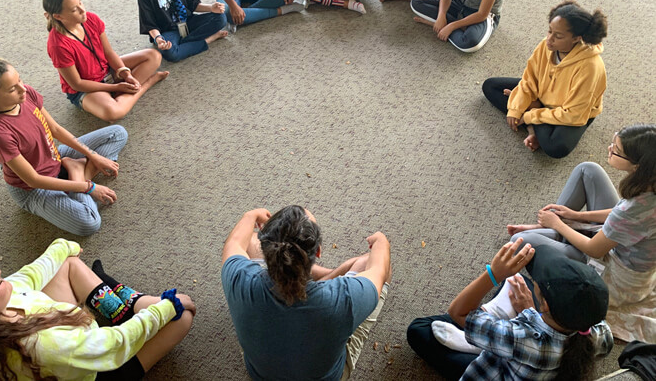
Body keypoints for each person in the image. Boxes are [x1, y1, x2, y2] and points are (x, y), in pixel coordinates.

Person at [509, 124, 656, 342]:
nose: (608, 148)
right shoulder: (649, 185)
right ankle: (549, 228)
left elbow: (594, 249)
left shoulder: (633, 210)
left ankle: (550, 228)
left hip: (615, 273)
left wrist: (558, 224)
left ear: (637, 166)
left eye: (616, 150)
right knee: (588, 169)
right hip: (623, 243)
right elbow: (619, 214)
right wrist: (575, 216)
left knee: (519, 242)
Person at [0, 238, 195, 380]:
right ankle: (127, 300)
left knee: (66, 263)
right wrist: (165, 308)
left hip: (74, 334)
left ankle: (129, 305)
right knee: (183, 317)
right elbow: (115, 343)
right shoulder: (42, 345)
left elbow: (34, 271)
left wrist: (64, 245)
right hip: (101, 369)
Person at [221, 205, 391, 380]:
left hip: (261, 375)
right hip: (329, 376)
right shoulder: (343, 299)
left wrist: (251, 215)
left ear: (267, 250)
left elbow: (235, 242)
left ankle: (321, 275)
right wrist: (381, 241)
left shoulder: (240, 277)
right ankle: (323, 276)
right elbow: (379, 269)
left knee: (250, 240)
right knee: (368, 263)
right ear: (318, 251)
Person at [407, 239, 613, 380]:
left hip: (504, 363)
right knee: (519, 281)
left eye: (540, 280)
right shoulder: (597, 334)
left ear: (547, 305)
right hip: (536, 352)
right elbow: (606, 339)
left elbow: (458, 312)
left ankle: (485, 337)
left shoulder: (521, 339)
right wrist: (532, 311)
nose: (537, 278)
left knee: (419, 328)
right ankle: (493, 326)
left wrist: (493, 274)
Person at [0, 57, 127, 236]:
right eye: (12, 89)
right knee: (89, 223)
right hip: (34, 188)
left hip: (54, 157)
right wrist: (88, 187)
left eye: (19, 80)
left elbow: (56, 129)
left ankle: (75, 175)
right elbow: (33, 179)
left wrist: (94, 155)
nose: (22, 89)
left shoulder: (27, 93)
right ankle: (77, 173)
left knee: (118, 133)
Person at [482, 0, 607, 158]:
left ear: (576, 38)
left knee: (555, 147)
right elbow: (529, 80)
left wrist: (528, 113)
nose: (549, 39)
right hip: (544, 93)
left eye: (558, 36)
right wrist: (516, 108)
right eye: (549, 31)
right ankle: (536, 124)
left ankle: (534, 116)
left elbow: (573, 114)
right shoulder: (546, 45)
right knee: (490, 86)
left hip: (572, 112)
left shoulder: (590, 67)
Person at [43, 0, 167, 122]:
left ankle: (121, 95)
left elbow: (108, 52)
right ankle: (145, 85)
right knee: (113, 113)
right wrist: (115, 86)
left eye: (80, 2)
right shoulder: (57, 45)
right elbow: (76, 84)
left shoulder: (91, 19)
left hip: (106, 70)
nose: (82, 10)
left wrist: (126, 73)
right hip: (86, 87)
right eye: (74, 9)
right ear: (58, 16)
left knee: (154, 56)